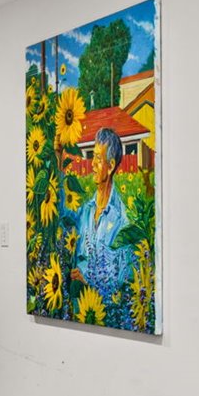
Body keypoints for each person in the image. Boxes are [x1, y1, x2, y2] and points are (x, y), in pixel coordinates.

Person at [69, 126, 133, 300]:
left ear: (110, 166)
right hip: (78, 306)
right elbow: (63, 218)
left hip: (102, 308)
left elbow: (123, 280)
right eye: (93, 157)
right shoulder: (86, 210)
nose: (92, 164)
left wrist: (88, 280)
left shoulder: (121, 220)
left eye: (98, 158)